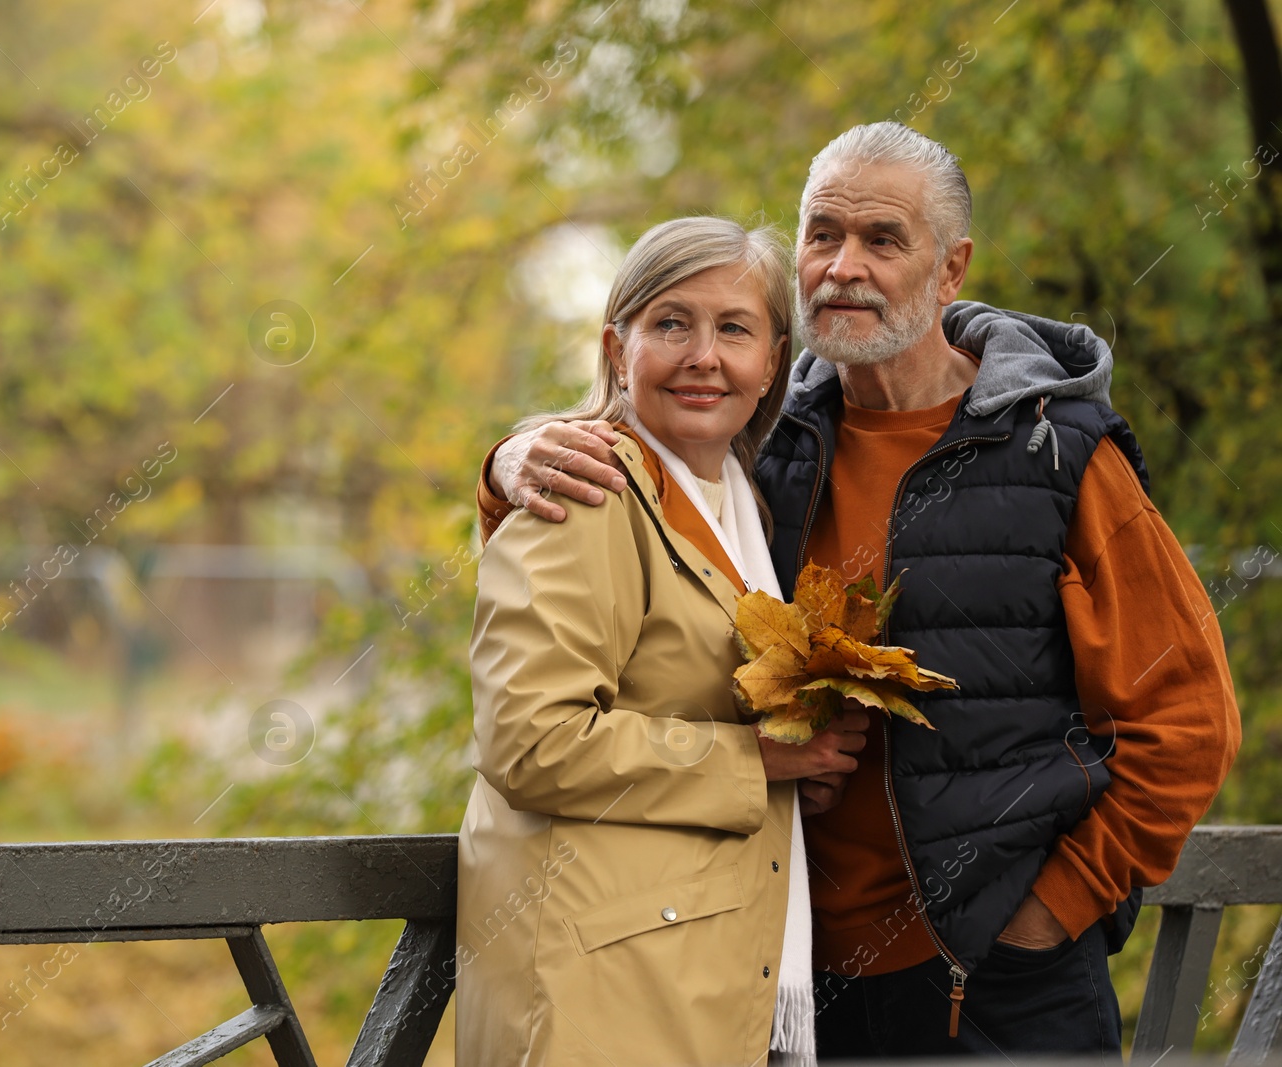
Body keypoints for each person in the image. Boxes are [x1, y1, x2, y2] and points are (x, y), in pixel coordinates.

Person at [474, 123, 1242, 1057]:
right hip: (788, 977)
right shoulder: (769, 445)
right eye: (822, 234)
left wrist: (1053, 910)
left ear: (951, 268)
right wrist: (509, 465)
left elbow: (1191, 720)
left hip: (997, 983)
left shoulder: (1057, 452)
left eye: (883, 240)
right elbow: (636, 527)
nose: (844, 266)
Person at [456, 216, 868, 1066]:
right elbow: (531, 741)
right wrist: (757, 762)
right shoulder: (586, 489)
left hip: (700, 972)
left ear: (773, 362)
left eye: (734, 329)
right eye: (671, 323)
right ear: (618, 349)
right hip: (599, 989)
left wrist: (804, 763)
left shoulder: (742, 505)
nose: (703, 356)